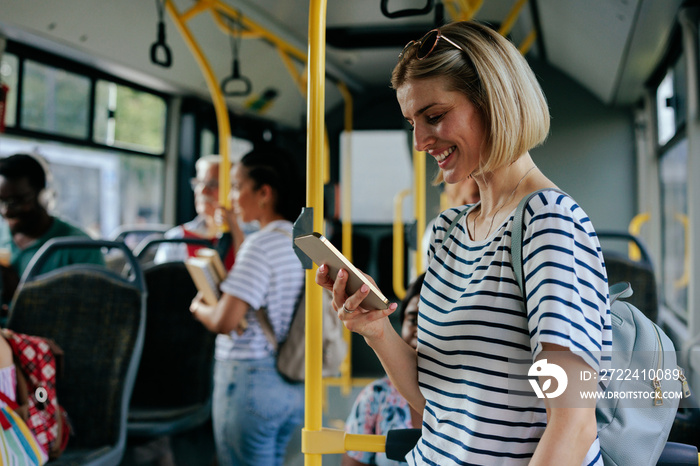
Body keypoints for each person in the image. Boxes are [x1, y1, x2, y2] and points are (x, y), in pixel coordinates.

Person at [316, 21, 612, 466]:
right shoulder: (448, 231)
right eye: (412, 123)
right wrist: (377, 331)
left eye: (434, 117)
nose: (419, 142)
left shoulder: (549, 222)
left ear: (494, 102)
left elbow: (573, 424)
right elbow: (436, 399)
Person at [189, 147, 305, 466]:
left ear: (264, 193)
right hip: (290, 384)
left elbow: (226, 321)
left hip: (249, 379)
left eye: (238, 186)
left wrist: (199, 307)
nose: (232, 196)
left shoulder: (261, 245)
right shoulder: (301, 240)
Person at [0, 153, 104, 306]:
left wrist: (21, 295)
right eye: (1, 201)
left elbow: (96, 311)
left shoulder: (80, 248)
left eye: (16, 201)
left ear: (43, 196)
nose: (6, 211)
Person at [343, 273, 425, 466]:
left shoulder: (471, 398)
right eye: (413, 319)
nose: (421, 328)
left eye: (430, 319)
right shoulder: (376, 397)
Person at [154, 155, 244, 268]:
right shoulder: (177, 238)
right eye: (199, 183)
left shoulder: (250, 236)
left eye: (212, 184)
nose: (202, 190)